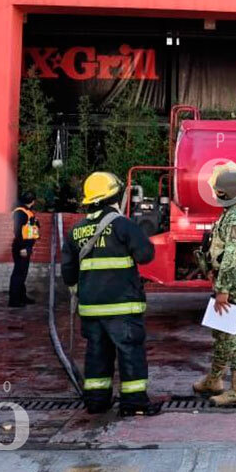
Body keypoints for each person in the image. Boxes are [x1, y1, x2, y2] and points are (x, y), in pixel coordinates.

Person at [61, 171, 160, 417]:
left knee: (96, 353)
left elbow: (68, 271)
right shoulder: (123, 225)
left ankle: (96, 401)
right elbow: (146, 255)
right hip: (122, 307)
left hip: (91, 308)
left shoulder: (76, 231)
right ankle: (134, 402)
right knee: (130, 352)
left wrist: (79, 290)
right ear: (115, 196)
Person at [192, 166, 236, 407]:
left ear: (226, 193)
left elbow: (232, 255)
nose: (215, 192)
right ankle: (214, 380)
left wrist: (223, 289)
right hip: (233, 280)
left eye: (218, 189)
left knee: (233, 333)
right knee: (221, 331)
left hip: (235, 282)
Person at [8, 192, 40, 307]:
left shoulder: (26, 211)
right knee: (18, 274)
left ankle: (22, 296)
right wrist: (23, 247)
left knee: (22, 273)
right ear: (33, 201)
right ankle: (14, 300)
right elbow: (17, 231)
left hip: (25, 246)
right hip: (21, 246)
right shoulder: (20, 212)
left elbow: (31, 228)